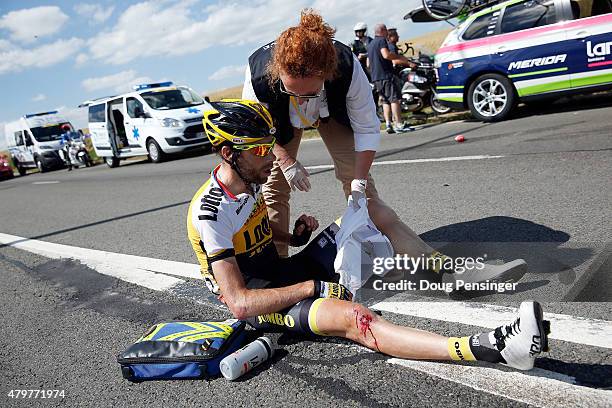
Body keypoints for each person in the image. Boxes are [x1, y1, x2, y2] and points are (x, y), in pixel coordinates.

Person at [187, 99, 550, 371]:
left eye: (271, 145)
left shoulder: (248, 180)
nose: (271, 157)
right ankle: (495, 347)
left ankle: (452, 274)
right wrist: (314, 288)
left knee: (370, 209)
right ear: (228, 153)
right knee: (356, 319)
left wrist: (292, 237)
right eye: (261, 150)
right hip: (265, 303)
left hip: (284, 272)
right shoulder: (210, 212)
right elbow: (241, 303)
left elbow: (252, 233)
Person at [242, 9, 527, 288]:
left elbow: (367, 129)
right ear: (278, 73)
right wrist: (287, 161)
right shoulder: (257, 76)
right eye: (293, 91)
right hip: (275, 129)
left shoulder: (346, 66)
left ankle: (444, 271)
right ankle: (276, 275)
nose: (302, 101)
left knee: (364, 197)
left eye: (310, 93)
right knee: (272, 192)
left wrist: (359, 183)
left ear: (326, 74)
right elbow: (254, 134)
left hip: (333, 113)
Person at [367, 23, 414, 134]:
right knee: (394, 99)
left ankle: (388, 124)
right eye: (386, 30)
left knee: (385, 101)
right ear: (383, 31)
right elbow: (386, 55)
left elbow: (368, 63)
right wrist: (399, 57)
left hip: (376, 77)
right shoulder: (382, 41)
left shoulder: (370, 44)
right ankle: (398, 124)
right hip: (386, 75)